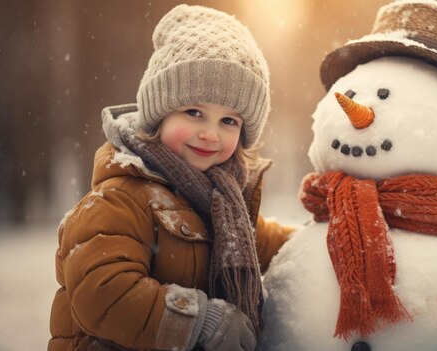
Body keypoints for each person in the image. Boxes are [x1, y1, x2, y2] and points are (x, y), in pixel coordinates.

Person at [48, 5, 293, 351]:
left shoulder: (221, 201)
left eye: (229, 121)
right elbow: (102, 294)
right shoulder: (121, 195)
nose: (210, 134)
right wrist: (200, 321)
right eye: (194, 112)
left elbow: (260, 239)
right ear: (159, 115)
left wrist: (321, 237)